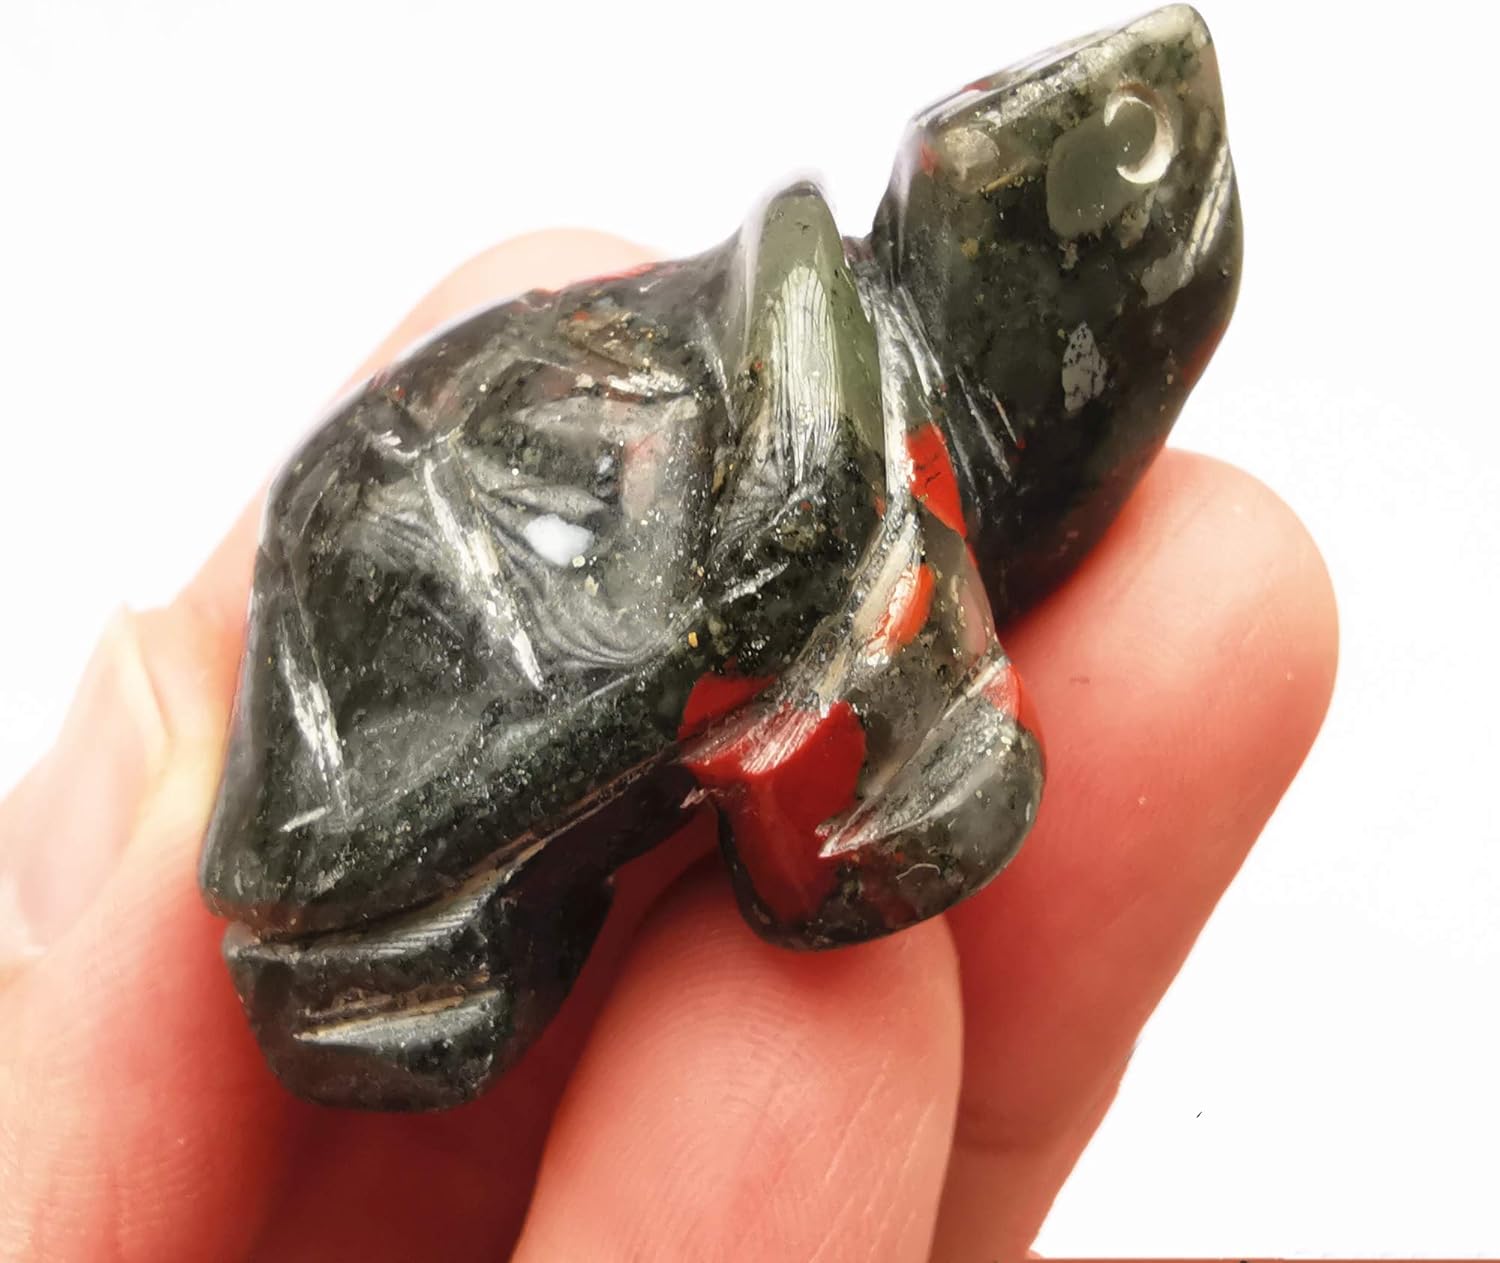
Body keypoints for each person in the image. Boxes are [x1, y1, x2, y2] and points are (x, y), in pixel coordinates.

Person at [0, 232, 1338, 1261]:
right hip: (388, 798)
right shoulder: (874, 538)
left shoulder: (865, 465)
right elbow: (862, 850)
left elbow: (847, 846)